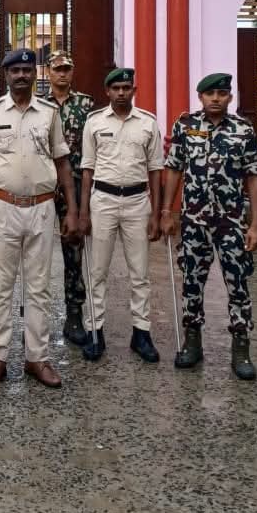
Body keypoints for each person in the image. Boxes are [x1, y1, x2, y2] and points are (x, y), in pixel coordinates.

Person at [0, 48, 78, 389]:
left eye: (27, 70)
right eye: (14, 70)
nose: (21, 75)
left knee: (39, 287)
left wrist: (72, 210)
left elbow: (62, 161)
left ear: (34, 74)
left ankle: (37, 358)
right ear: (6, 74)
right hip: (2, 206)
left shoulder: (49, 113)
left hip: (42, 207)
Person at [162, 72, 257, 380]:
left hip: (231, 222)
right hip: (194, 221)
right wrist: (166, 211)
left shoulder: (243, 129)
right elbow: (174, 169)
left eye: (221, 93)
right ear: (200, 97)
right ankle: (192, 342)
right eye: (210, 94)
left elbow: (254, 176)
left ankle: (241, 347)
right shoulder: (186, 125)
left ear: (230, 97)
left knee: (238, 284)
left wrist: (255, 224)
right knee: (192, 282)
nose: (216, 98)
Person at [79, 68, 163, 363]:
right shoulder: (94, 122)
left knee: (140, 273)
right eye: (116, 88)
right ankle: (95, 331)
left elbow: (155, 170)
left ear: (133, 90)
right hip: (102, 200)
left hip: (138, 202)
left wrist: (156, 213)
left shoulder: (148, 122)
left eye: (126, 88)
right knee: (97, 271)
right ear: (107, 91)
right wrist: (83, 212)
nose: (121, 93)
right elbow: (87, 169)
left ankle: (142, 333)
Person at [40, 50, 94, 345]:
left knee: (73, 252)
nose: (62, 73)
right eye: (57, 69)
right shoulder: (38, 104)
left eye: (66, 69)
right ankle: (35, 317)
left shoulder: (86, 104)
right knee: (36, 253)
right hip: (43, 186)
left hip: (73, 185)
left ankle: (74, 314)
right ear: (48, 72)